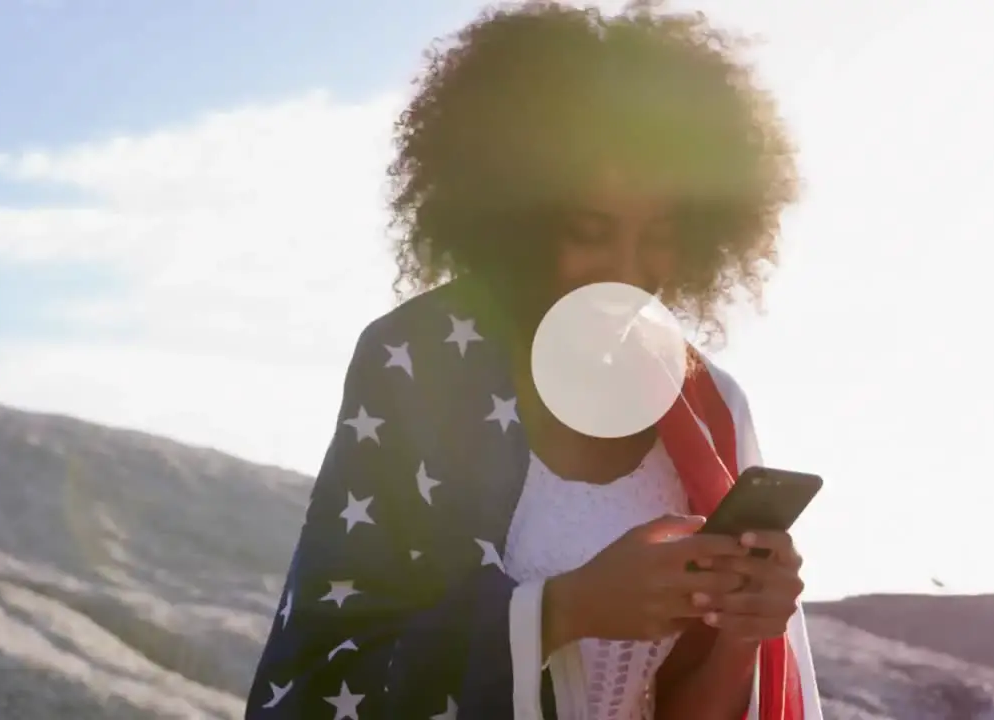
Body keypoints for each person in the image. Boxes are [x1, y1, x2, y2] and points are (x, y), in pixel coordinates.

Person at [245, 1, 822, 718]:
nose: (626, 269)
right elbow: (328, 671)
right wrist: (563, 610)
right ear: (520, 216)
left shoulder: (711, 409)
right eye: (590, 230)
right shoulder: (416, 363)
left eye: (662, 235)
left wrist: (744, 634)